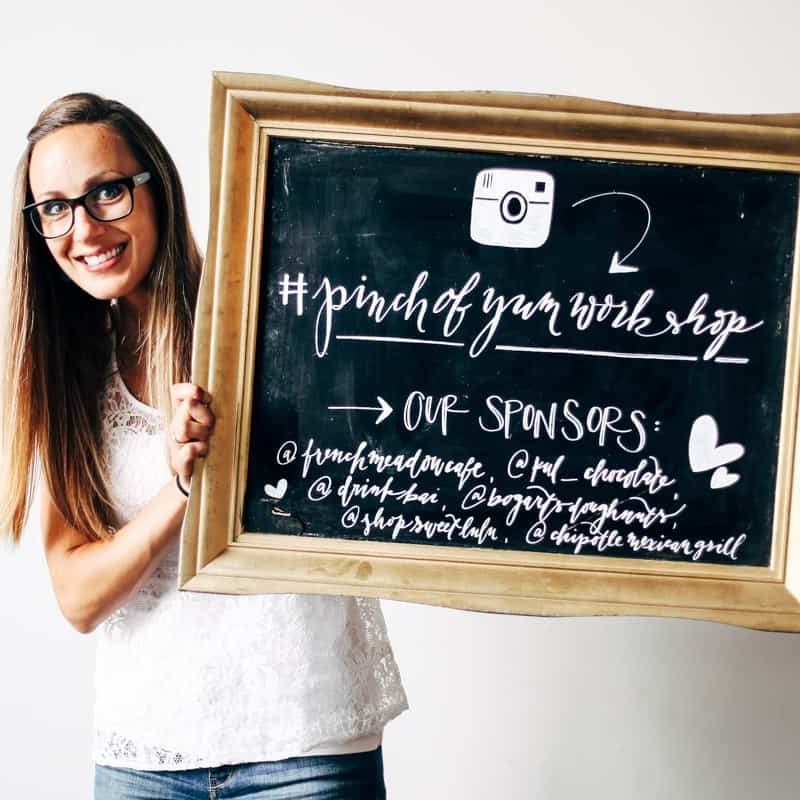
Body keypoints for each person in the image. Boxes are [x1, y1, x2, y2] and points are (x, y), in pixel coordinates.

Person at [0, 92, 407, 800]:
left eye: (107, 192)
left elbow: (364, 479)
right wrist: (185, 488)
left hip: (303, 741)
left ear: (156, 186)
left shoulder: (281, 315)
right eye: (56, 207)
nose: (85, 228)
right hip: (145, 754)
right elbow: (78, 596)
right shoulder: (69, 374)